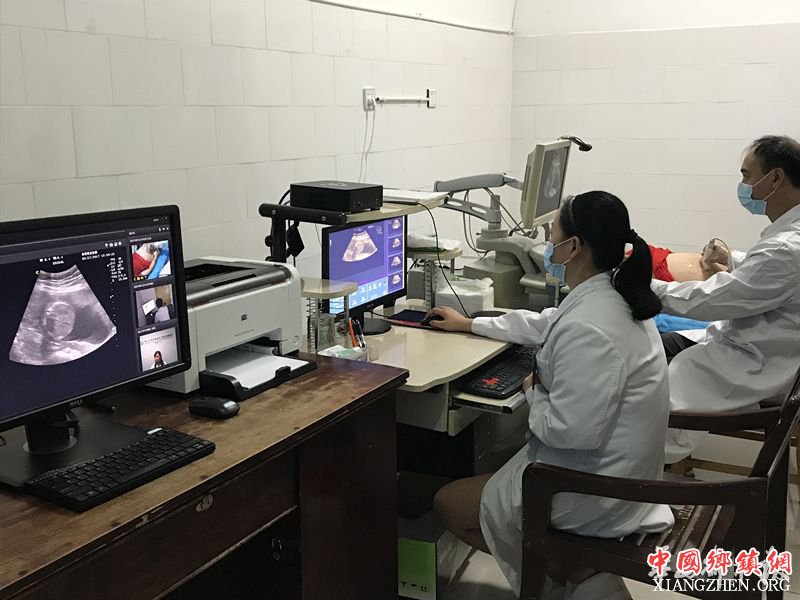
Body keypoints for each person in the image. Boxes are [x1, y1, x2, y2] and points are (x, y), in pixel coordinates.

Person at [429, 191, 672, 600]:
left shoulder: (591, 326)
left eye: (551, 236)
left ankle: (560, 577)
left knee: (450, 504)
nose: (548, 245)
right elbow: (548, 323)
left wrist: (532, 390)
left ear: (573, 247)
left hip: (591, 490)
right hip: (621, 474)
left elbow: (568, 432)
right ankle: (578, 575)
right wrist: (471, 324)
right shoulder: (614, 296)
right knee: (498, 475)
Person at [653, 135, 800, 463]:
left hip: (754, 362)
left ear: (775, 178)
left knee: (645, 383)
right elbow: (768, 274)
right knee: (655, 343)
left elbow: (710, 301)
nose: (743, 186)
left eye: (747, 176)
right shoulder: (787, 239)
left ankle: (630, 470)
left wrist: (646, 288)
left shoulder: (785, 248)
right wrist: (732, 258)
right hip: (751, 345)